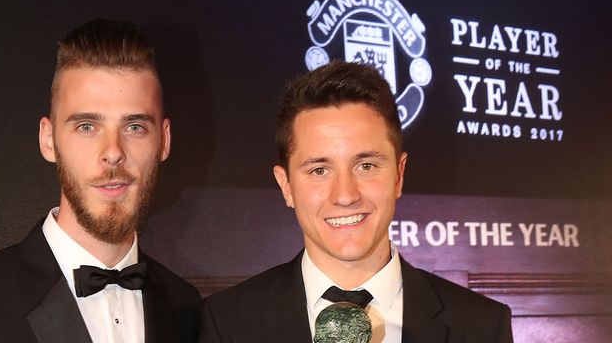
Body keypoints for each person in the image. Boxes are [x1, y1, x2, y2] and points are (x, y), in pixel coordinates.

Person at [0, 19, 201, 343]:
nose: (113, 152)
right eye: (87, 126)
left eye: (135, 127)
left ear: (164, 141)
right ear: (48, 140)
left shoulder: (186, 307)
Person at [199, 61, 513, 343]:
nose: (345, 195)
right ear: (286, 186)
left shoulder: (480, 326)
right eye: (319, 170)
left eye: (366, 166)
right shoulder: (228, 324)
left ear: (398, 176)